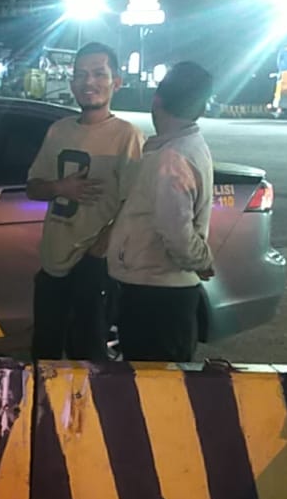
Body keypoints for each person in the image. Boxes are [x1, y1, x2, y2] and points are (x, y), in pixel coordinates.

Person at [26, 42, 143, 360]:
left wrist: (98, 252)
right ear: (71, 82)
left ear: (116, 82)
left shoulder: (127, 136)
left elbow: (134, 206)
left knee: (88, 359)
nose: (88, 82)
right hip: (52, 263)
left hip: (94, 268)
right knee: (44, 353)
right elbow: (33, 188)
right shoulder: (58, 131)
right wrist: (59, 187)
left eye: (98, 74)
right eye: (80, 74)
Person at [106, 61, 216, 362]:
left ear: (156, 101)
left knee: (154, 381)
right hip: (161, 291)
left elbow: (176, 234)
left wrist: (203, 260)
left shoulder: (172, 159)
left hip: (156, 294)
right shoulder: (187, 146)